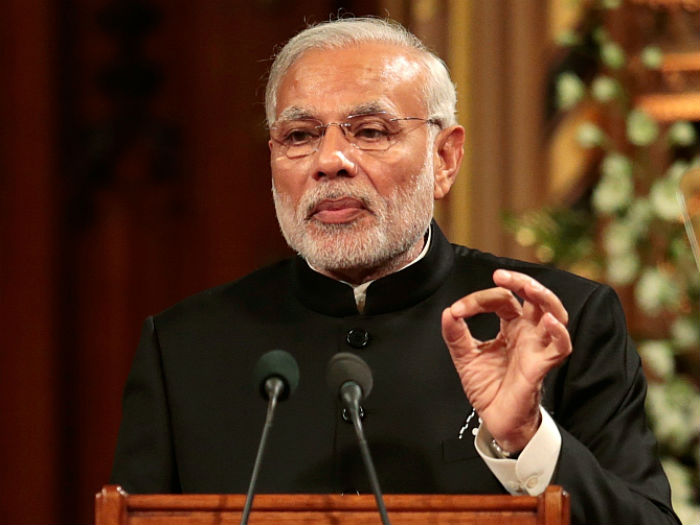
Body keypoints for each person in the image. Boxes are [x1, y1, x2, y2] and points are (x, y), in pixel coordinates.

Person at [110, 17, 680, 525]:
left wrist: (526, 439)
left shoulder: (559, 320)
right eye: (300, 135)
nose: (329, 161)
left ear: (445, 158)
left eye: (370, 131)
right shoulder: (184, 346)